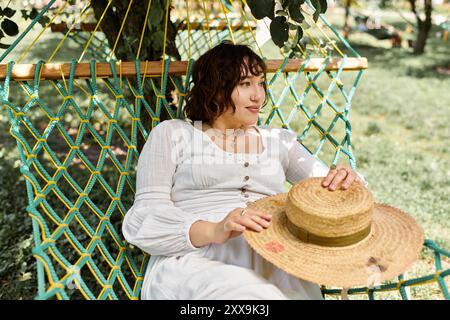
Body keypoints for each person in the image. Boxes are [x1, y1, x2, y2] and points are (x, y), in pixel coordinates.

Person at [122, 42, 368, 300]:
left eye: (261, 83)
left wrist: (346, 181)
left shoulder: (278, 140)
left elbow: (326, 187)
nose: (258, 96)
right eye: (245, 84)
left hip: (276, 261)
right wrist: (216, 229)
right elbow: (144, 218)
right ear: (215, 89)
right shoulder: (173, 134)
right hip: (196, 264)